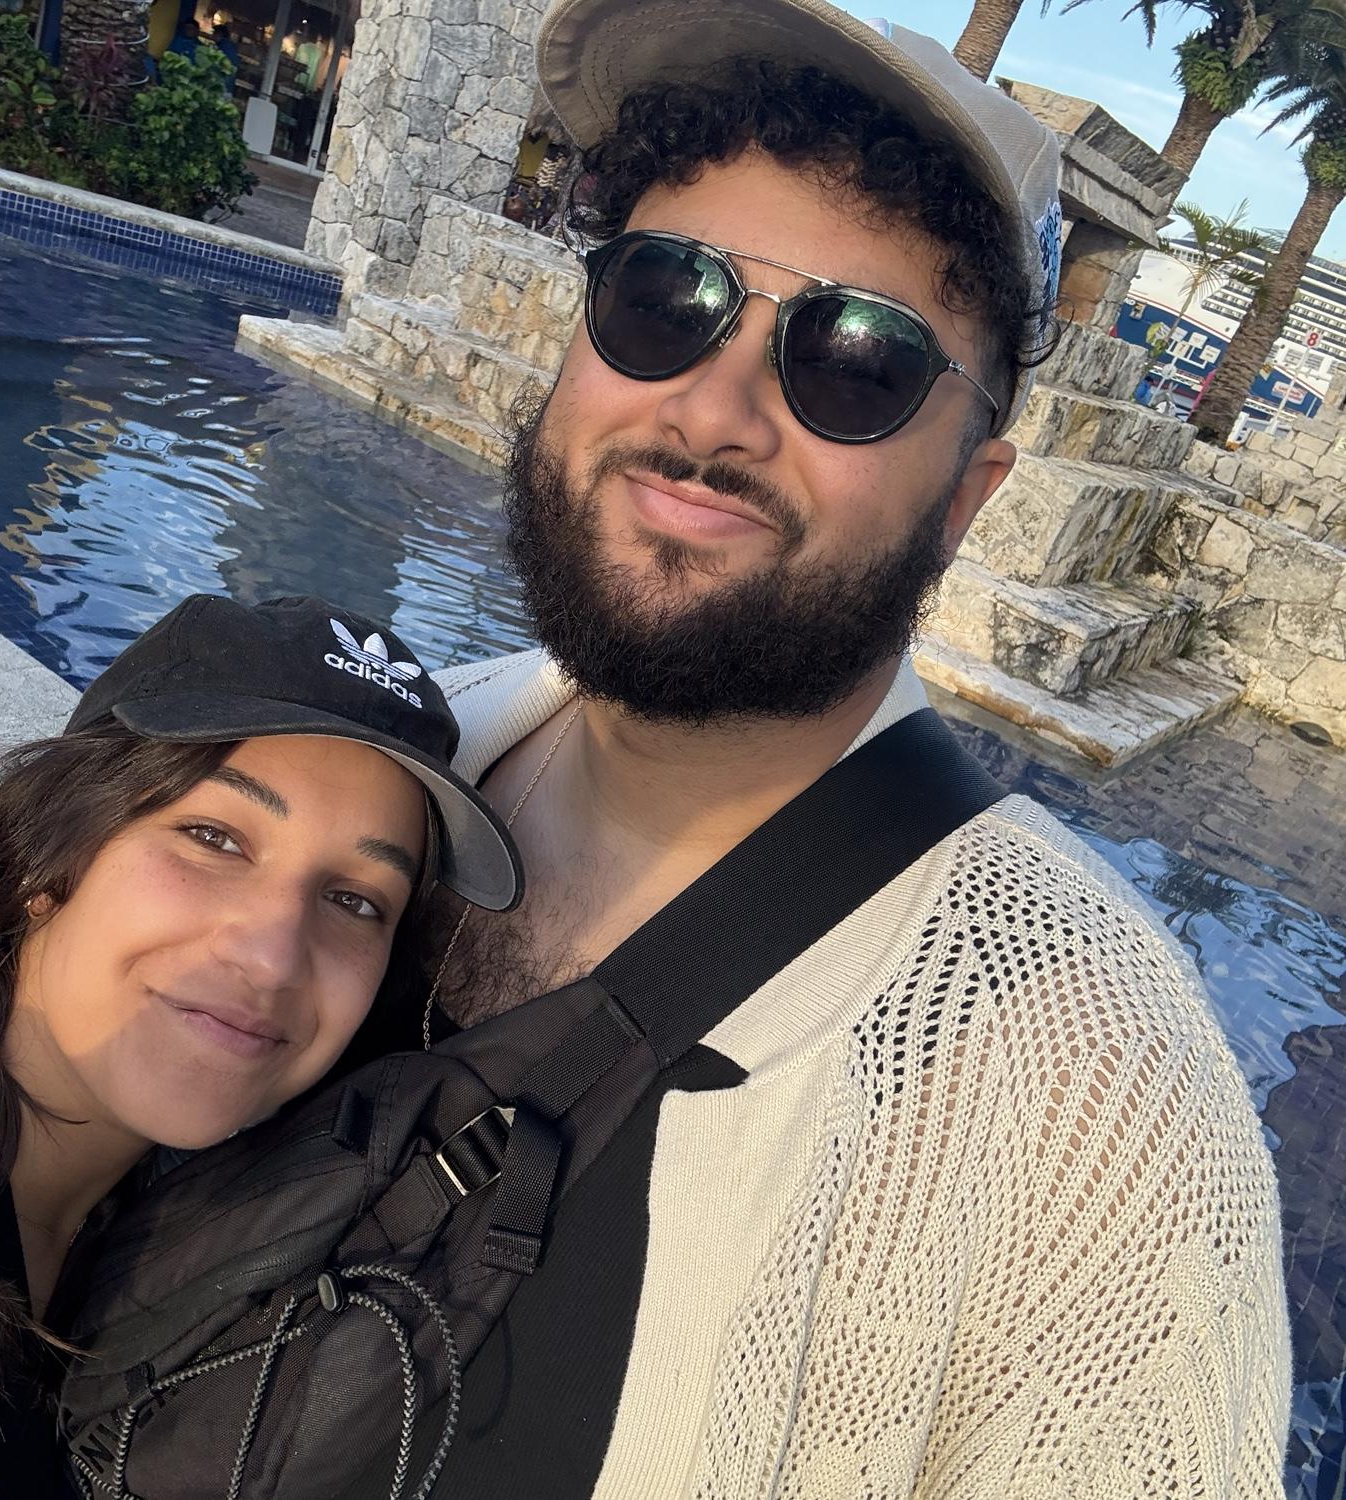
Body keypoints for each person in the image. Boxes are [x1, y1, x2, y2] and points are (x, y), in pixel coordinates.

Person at [388, 2, 1289, 1494]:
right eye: (665, 298)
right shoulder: (388, 764)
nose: (713, 412)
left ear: (967, 497)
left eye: (858, 361)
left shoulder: (1100, 1107)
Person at [0, 594, 518, 1498]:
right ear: (48, 854)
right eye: (214, 838)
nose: (273, 957)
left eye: (355, 900)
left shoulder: (186, 1225)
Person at [211, 20, 240, 92]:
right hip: (227, 85)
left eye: (214, 33)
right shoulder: (228, 46)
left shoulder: (224, 47)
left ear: (219, 34)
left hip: (223, 85)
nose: (212, 36)